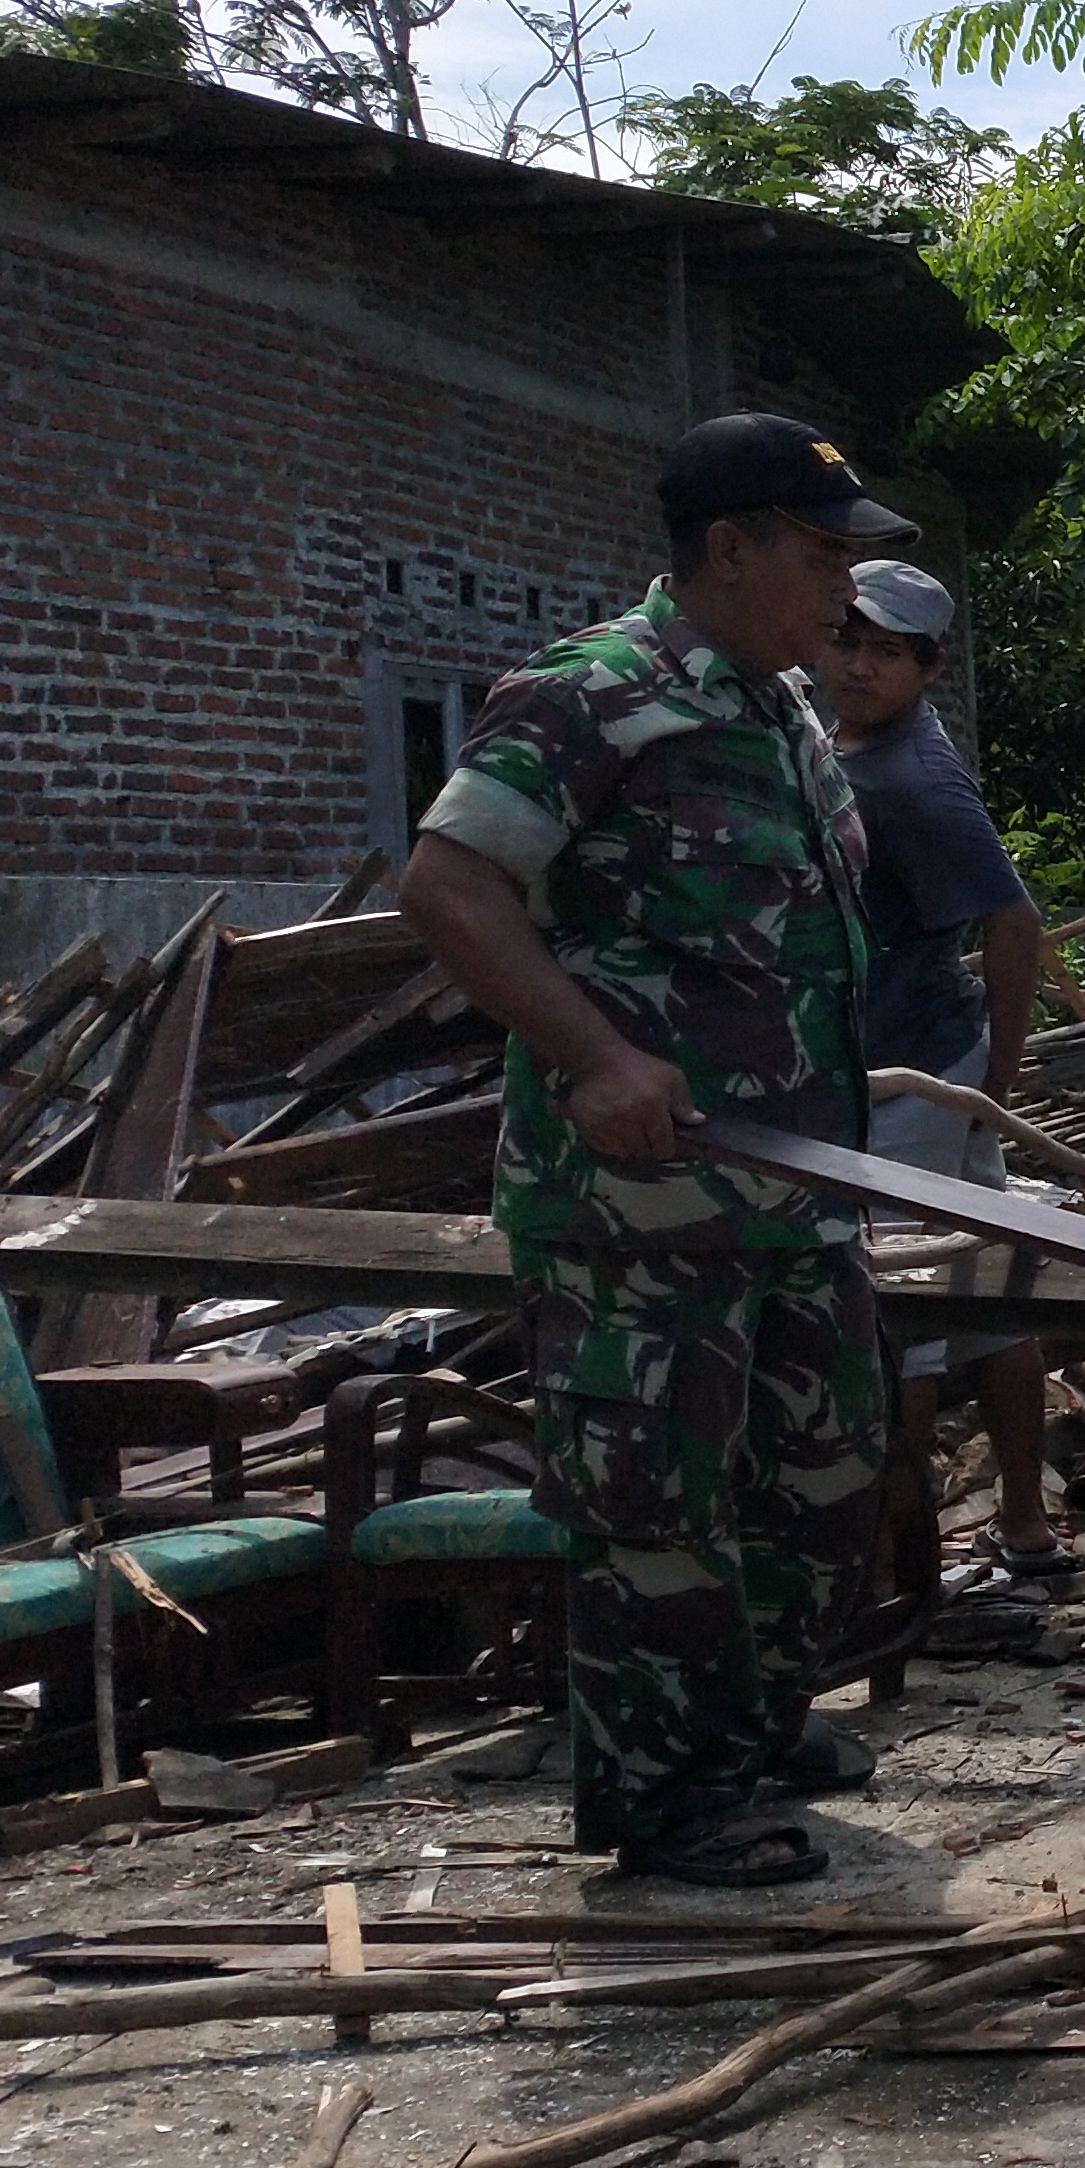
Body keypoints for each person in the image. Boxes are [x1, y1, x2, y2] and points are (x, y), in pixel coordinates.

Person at [395, 413, 908, 1890]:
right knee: (656, 1503)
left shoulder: (782, 711)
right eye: (821, 557)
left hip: (798, 1191)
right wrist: (595, 1053)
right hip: (640, 1203)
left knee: (825, 1476)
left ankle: (744, 1727)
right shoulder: (588, 695)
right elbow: (449, 886)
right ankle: (666, 1797)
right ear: (727, 548)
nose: (844, 592)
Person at [824, 561, 1061, 1570]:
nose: (860, 667)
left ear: (928, 667)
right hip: (906, 1058)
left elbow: (1015, 924)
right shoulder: (847, 740)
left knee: (901, 1311)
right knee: (991, 1290)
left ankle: (893, 1563)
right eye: (849, 642)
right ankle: (1022, 1521)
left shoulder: (915, 783)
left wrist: (995, 1084)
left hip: (914, 1071)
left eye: (888, 653)